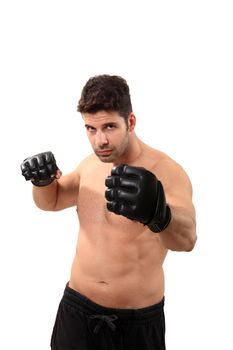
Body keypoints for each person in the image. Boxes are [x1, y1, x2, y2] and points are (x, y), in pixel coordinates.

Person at [21, 74, 197, 350]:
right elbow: (51, 201)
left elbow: (187, 241)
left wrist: (159, 214)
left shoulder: (166, 172)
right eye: (91, 129)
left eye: (109, 127)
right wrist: (43, 182)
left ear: (131, 122)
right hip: (76, 312)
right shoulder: (89, 166)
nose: (99, 140)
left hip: (135, 324)